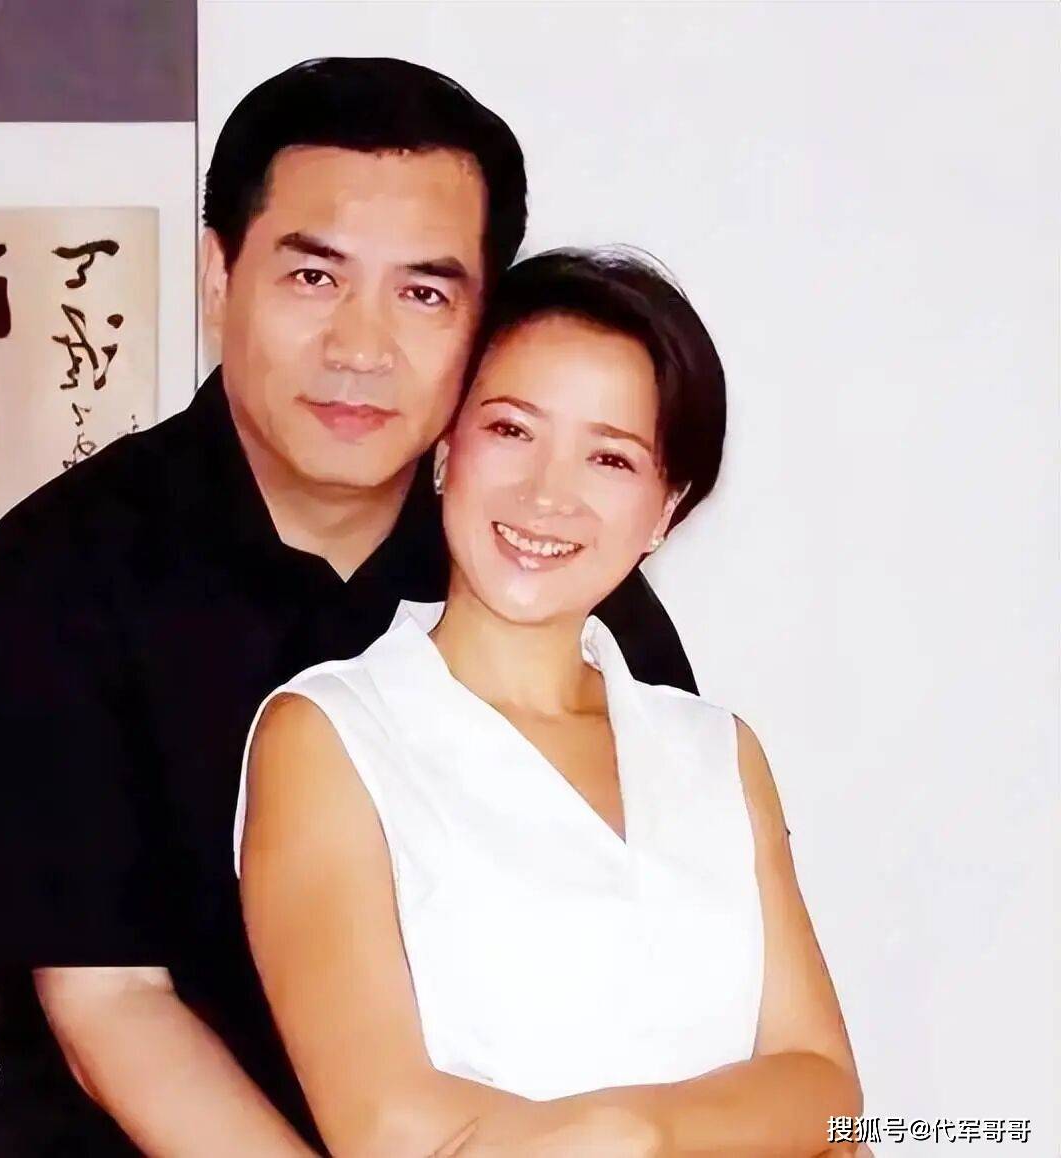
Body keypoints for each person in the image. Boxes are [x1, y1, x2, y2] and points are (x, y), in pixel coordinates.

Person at [0, 60, 698, 1157]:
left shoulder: (565, 588)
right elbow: (112, 1008)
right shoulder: (65, 569)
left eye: (424, 294)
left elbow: (671, 962)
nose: (361, 348)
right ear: (219, 276)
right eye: (313, 277)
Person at [236, 249, 866, 1157]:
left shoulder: (716, 751)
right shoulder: (332, 734)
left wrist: (634, 1133)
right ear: (446, 449)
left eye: (609, 457)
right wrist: (722, 1126)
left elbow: (833, 1095)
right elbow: (390, 1127)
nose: (545, 494)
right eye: (512, 429)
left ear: (665, 510)